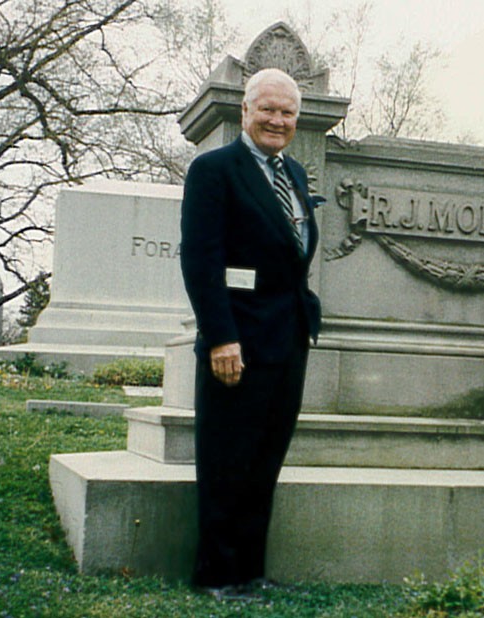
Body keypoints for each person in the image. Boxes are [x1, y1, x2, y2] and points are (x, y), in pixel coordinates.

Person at [179, 67, 320, 599]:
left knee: (265, 458)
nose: (277, 121)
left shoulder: (296, 175)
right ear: (245, 111)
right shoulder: (214, 170)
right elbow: (201, 260)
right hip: (235, 340)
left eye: (287, 113)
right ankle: (217, 574)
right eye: (268, 109)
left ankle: (251, 571)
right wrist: (220, 336)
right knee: (226, 457)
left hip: (287, 339)